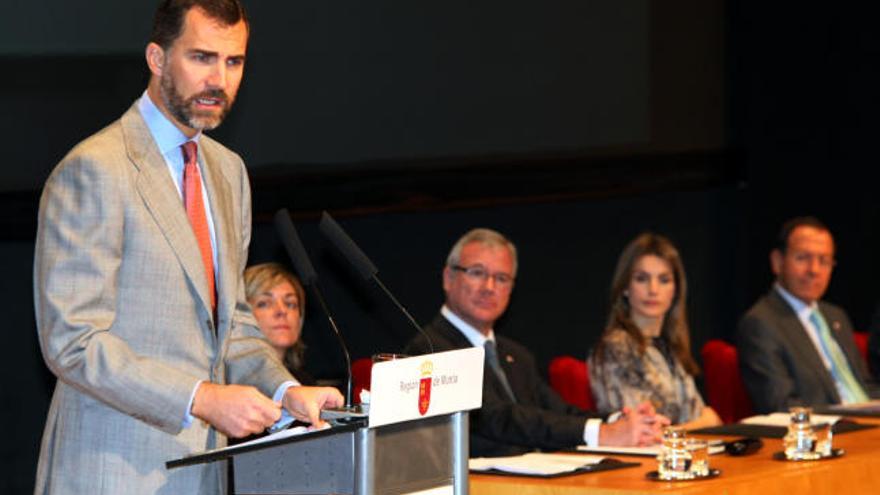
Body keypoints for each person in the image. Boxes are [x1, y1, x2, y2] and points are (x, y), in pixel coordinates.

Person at [32, 2, 343, 493]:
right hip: (113, 471)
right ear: (157, 59)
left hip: (205, 473)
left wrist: (284, 389)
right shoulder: (95, 169)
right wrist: (201, 398)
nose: (219, 79)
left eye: (234, 62)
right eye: (202, 57)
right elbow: (73, 343)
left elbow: (232, 323)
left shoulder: (227, 172)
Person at [404, 228, 668, 457]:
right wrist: (601, 433)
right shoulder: (429, 350)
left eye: (502, 278)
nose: (489, 287)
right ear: (448, 278)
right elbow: (496, 418)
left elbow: (558, 411)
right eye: (477, 273)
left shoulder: (515, 355)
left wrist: (620, 420)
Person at [737, 217, 880, 413]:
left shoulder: (836, 316)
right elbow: (781, 406)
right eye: (803, 258)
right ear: (777, 262)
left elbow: (865, 386)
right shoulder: (761, 323)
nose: (814, 270)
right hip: (829, 432)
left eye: (824, 261)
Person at [588, 233, 721, 429]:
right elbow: (643, 431)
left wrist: (704, 421)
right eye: (642, 279)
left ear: (676, 290)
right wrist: (703, 423)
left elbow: (705, 417)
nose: (653, 289)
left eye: (664, 279)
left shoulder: (670, 346)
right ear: (625, 287)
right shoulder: (616, 347)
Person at [245, 263, 315, 384]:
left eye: (290, 304)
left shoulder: (304, 383)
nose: (282, 311)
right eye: (264, 303)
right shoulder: (227, 385)